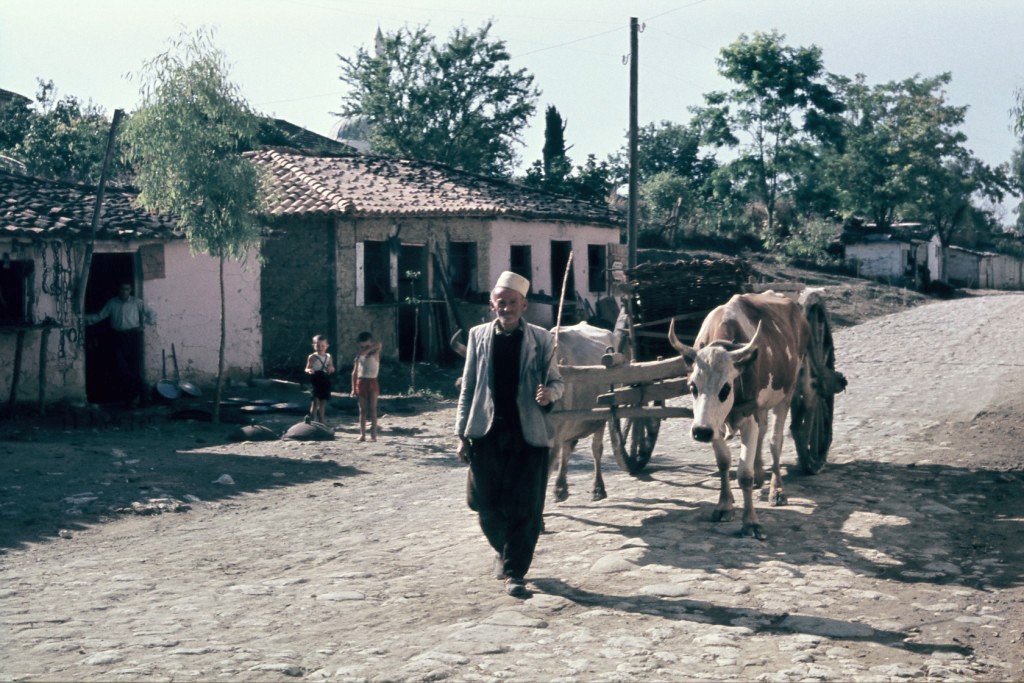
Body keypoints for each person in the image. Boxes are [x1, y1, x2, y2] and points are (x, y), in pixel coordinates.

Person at [455, 271, 565, 598]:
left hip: (528, 434)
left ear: (524, 305)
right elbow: (469, 387)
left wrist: (550, 395)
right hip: (486, 432)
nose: (506, 308)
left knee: (526, 507)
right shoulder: (477, 336)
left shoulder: (543, 340)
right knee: (483, 503)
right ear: (492, 305)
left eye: (513, 303)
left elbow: (557, 383)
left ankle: (514, 571)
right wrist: (461, 434)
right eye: (501, 303)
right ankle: (506, 552)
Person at [85, 282, 156, 408]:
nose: (124, 291)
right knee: (120, 367)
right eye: (122, 289)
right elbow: (100, 316)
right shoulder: (112, 303)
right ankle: (141, 391)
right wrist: (83, 319)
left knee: (134, 366)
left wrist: (143, 326)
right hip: (118, 337)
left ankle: (135, 398)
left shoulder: (137, 302)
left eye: (127, 289)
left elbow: (152, 314)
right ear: (118, 289)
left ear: (131, 290)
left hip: (134, 336)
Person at [350, 331, 382, 442]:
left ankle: (373, 434)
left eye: (367, 346)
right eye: (362, 347)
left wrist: (367, 350)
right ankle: (362, 434)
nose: (364, 348)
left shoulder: (375, 352)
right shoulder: (358, 357)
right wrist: (353, 388)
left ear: (371, 343)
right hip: (361, 382)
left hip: (372, 382)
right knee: (362, 410)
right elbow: (354, 373)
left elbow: (379, 344)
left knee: (373, 409)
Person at [304, 334, 335, 424]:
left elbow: (331, 366)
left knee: (323, 401)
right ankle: (312, 418)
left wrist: (331, 368)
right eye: (317, 345)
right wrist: (309, 370)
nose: (320, 348)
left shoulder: (328, 357)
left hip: (325, 380)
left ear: (327, 346)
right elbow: (307, 368)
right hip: (316, 379)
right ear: (313, 346)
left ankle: (322, 419)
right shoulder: (312, 357)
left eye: (322, 346)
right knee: (315, 401)